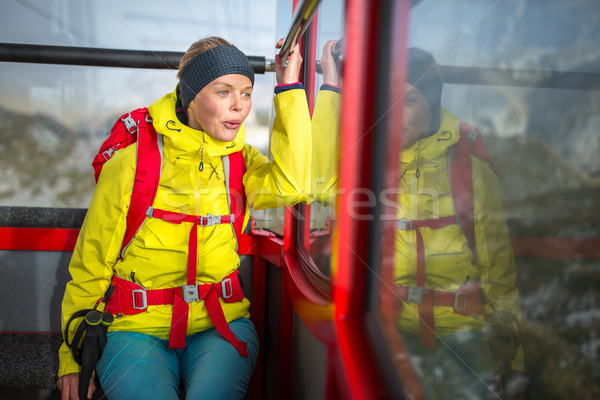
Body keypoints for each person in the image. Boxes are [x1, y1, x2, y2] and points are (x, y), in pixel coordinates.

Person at [57, 36, 311, 400]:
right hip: (133, 327)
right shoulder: (132, 164)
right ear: (191, 95)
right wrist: (72, 357)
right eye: (223, 92)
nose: (239, 106)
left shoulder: (241, 161)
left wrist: (288, 87)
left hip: (220, 323)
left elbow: (292, 186)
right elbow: (90, 266)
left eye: (247, 92)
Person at [393, 47, 525, 399]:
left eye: (407, 101)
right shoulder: (368, 159)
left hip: (463, 338)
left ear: (431, 104)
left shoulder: (467, 166)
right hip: (388, 334)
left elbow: (500, 273)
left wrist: (514, 365)